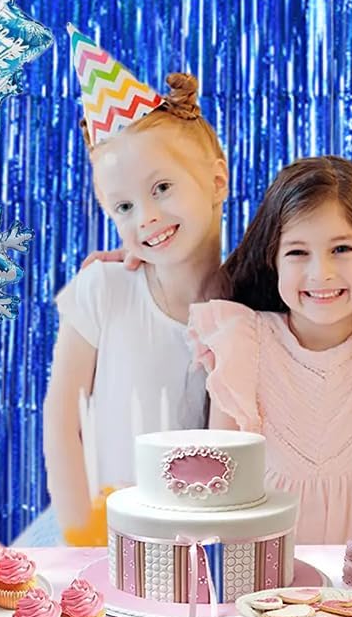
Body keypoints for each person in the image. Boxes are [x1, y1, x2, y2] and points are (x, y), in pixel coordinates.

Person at [38, 27, 227, 545]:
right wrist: (80, 533)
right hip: (103, 535)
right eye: (123, 206)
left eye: (161, 187)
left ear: (217, 181)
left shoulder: (253, 300)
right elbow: (61, 422)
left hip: (204, 545)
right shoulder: (105, 290)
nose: (145, 218)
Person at [188, 156, 352, 543]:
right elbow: (222, 467)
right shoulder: (243, 343)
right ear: (273, 260)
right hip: (261, 559)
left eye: (341, 249)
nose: (320, 273)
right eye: (297, 252)